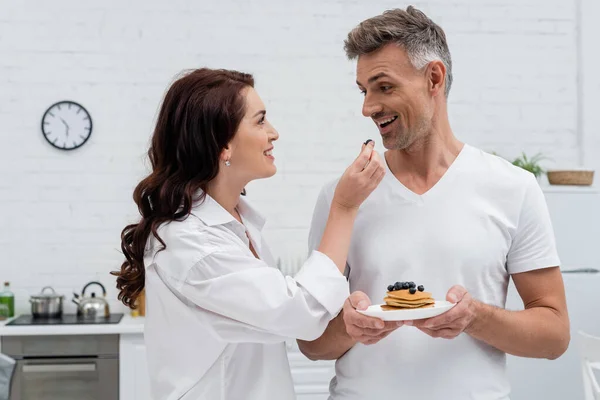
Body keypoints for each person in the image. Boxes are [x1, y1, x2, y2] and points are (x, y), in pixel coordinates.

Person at [298, 6, 570, 400]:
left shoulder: (512, 187)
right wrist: (348, 327)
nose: (367, 107)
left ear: (434, 78)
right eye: (363, 90)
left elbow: (554, 335)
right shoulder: (343, 197)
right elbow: (311, 343)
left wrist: (475, 318)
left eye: (383, 86)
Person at [110, 68, 386, 400]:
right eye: (260, 121)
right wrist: (344, 206)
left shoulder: (239, 224)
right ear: (222, 145)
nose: (274, 133)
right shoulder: (192, 244)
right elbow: (302, 311)